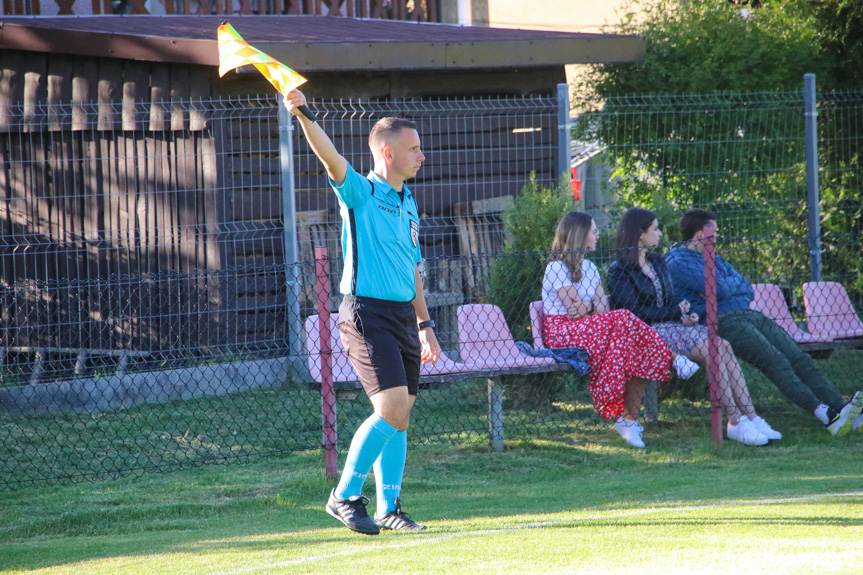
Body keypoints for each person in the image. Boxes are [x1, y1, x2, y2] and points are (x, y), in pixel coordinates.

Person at [284, 89, 441, 535]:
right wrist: (303, 114)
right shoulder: (362, 192)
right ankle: (345, 496)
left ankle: (389, 507)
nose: (422, 156)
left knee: (402, 413)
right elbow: (331, 157)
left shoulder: (408, 200)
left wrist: (425, 323)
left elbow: (413, 268)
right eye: (414, 149)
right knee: (390, 406)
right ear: (388, 152)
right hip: (365, 313)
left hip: (401, 318)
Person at [665, 208, 863, 436]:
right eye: (715, 232)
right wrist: (724, 288)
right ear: (701, 234)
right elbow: (719, 288)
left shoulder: (716, 260)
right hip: (723, 320)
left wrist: (723, 289)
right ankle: (825, 414)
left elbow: (746, 289)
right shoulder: (677, 261)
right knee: (776, 361)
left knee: (798, 357)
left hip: (750, 314)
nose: (718, 236)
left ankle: (843, 410)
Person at [608, 208, 781, 446]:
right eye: (655, 229)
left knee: (723, 346)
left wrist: (683, 315)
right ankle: (735, 422)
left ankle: (751, 418)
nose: (660, 233)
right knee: (714, 350)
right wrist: (675, 312)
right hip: (646, 332)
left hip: (673, 325)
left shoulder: (658, 261)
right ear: (640, 234)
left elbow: (669, 301)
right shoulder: (619, 271)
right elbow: (634, 313)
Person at [541, 210, 701, 449]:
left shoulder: (591, 268)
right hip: (563, 332)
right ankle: (674, 358)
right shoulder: (556, 268)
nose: (597, 235)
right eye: (593, 232)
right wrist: (590, 306)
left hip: (593, 328)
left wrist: (589, 307)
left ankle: (629, 421)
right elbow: (573, 309)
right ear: (580, 235)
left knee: (637, 346)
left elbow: (597, 311)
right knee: (625, 317)